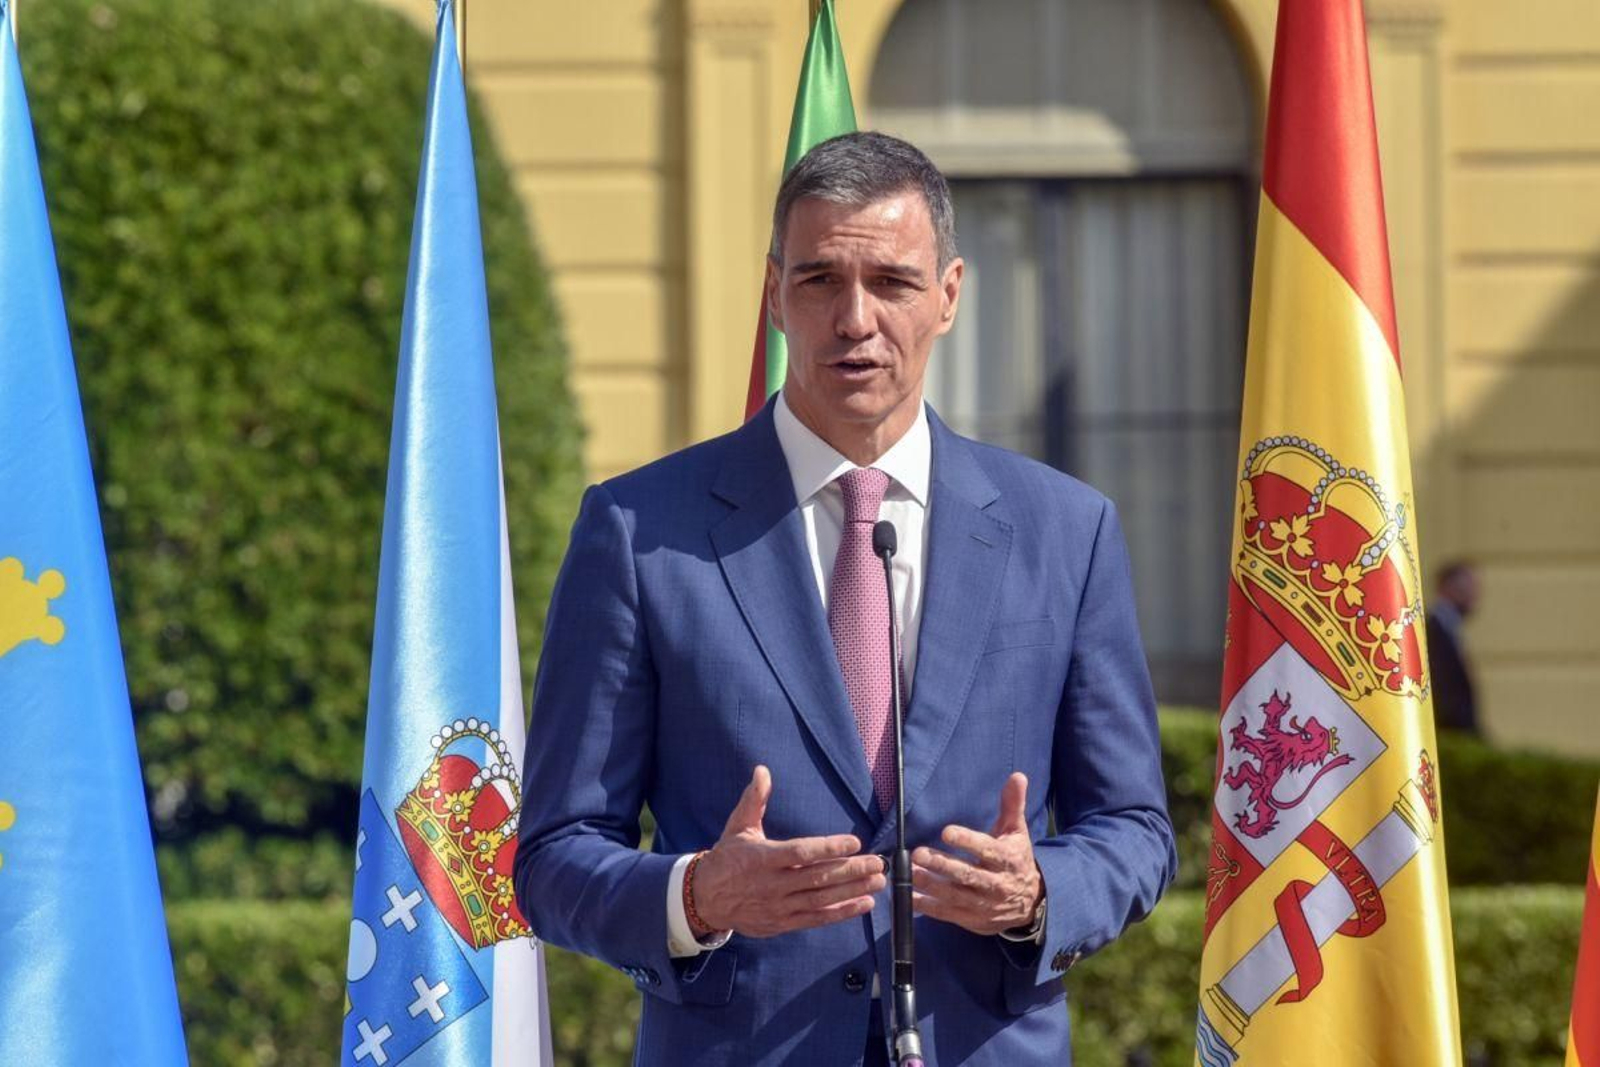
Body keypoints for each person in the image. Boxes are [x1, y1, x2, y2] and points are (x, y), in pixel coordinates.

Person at [515, 131, 1176, 1066]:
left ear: (949, 294)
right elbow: (553, 856)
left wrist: (1039, 892)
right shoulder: (638, 529)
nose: (855, 319)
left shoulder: (1067, 530)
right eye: (821, 280)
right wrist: (696, 896)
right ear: (774, 293)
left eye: (893, 283)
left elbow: (1138, 831)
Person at [1426, 560, 1481, 735]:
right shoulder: (1432, 631)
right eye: (1469, 587)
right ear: (1448, 587)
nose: (1475, 595)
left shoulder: (1448, 628)